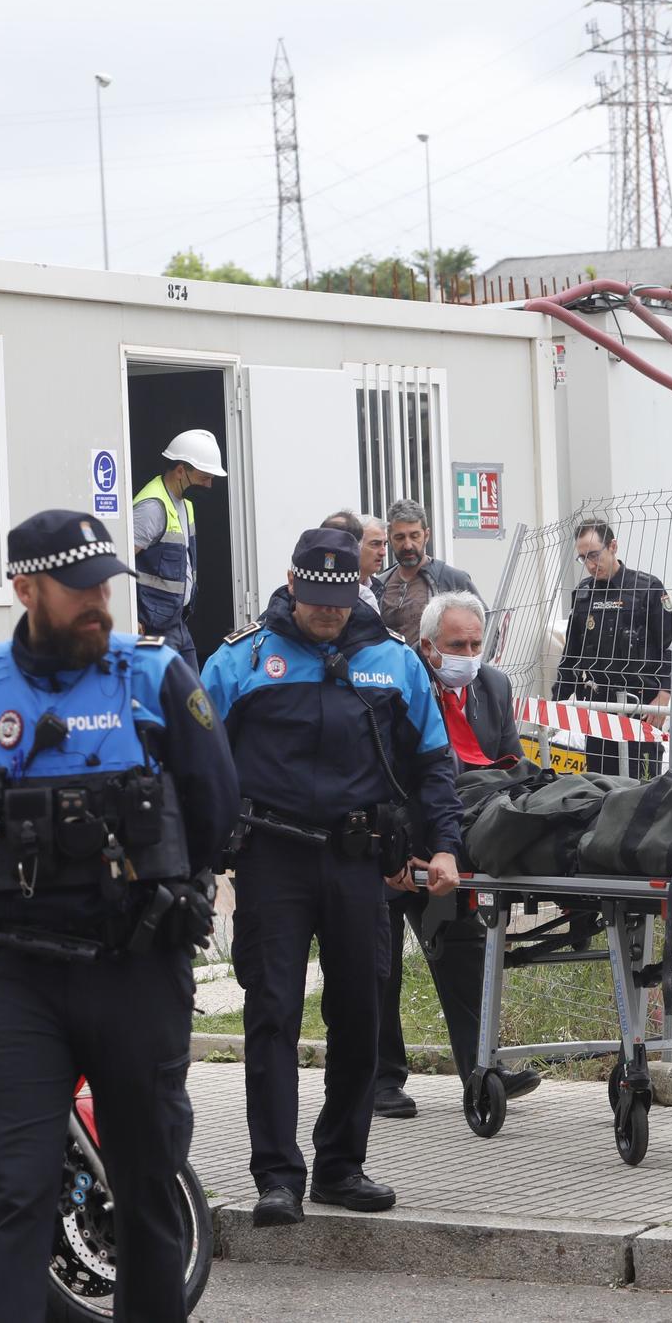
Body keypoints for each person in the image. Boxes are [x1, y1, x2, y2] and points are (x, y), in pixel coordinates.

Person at [0, 509, 238, 1322]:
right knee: (13, 1194)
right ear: (26, 587)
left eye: (107, 585)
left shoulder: (156, 676)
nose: (101, 602)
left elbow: (216, 805)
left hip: (136, 968)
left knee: (145, 1191)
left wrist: (162, 890)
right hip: (18, 979)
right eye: (81, 588)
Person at [201, 526, 465, 1228]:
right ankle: (276, 1176)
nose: (326, 612)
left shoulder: (393, 661)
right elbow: (192, 761)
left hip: (358, 861)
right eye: (314, 597)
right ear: (291, 582)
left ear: (358, 588)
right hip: (271, 859)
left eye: (339, 598)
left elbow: (434, 763)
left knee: (360, 1014)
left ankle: (341, 1165)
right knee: (272, 1014)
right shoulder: (243, 659)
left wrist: (445, 846)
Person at [371, 589, 541, 1119]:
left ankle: (480, 1065)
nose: (469, 654)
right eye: (456, 644)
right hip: (397, 845)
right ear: (428, 646)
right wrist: (393, 851)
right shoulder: (401, 686)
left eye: (475, 642)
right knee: (381, 966)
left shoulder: (493, 686)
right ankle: (381, 1079)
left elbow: (507, 767)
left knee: (464, 954)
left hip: (456, 850)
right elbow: (387, 774)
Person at [551, 518, 672, 778]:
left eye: (594, 555)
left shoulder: (647, 588)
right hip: (598, 706)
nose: (591, 565)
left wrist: (664, 694)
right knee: (601, 786)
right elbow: (572, 654)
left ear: (613, 546)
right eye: (583, 558)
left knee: (643, 786)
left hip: (641, 705)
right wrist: (557, 702)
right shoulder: (584, 594)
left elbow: (668, 646)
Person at [131, 429, 227, 668]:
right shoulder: (153, 508)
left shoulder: (184, 504)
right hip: (153, 628)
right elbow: (121, 562)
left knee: (193, 699)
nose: (209, 484)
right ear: (181, 470)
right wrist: (132, 615)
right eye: (205, 477)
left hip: (176, 623)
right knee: (170, 700)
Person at [377, 497, 478, 641]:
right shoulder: (379, 585)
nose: (408, 545)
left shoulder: (452, 580)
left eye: (414, 536)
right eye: (399, 537)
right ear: (390, 539)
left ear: (427, 535)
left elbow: (489, 632)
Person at [320, 508, 383, 612]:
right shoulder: (308, 581)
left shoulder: (376, 589)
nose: (383, 552)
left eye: (384, 544)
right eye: (375, 544)